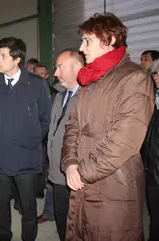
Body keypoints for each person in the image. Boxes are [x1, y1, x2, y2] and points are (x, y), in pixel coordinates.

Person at [61, 13, 154, 240]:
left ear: (110, 40)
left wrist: (83, 171)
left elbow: (123, 141)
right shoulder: (90, 79)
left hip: (114, 186)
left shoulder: (134, 78)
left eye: (87, 41)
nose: (82, 48)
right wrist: (71, 162)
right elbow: (73, 124)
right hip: (82, 179)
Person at [0, 36, 51, 241]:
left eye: (3, 56)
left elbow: (45, 120)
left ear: (17, 59)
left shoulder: (37, 85)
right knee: (2, 208)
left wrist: (29, 140)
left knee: (28, 209)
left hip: (27, 159)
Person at [45, 48, 84, 240]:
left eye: (60, 67)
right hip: (57, 172)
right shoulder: (60, 95)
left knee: (78, 222)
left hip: (77, 173)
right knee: (62, 218)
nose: (55, 73)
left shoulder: (88, 97)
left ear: (77, 67)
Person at [142, 59, 159, 241]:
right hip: (152, 169)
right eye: (154, 73)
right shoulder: (152, 99)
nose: (156, 77)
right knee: (154, 219)